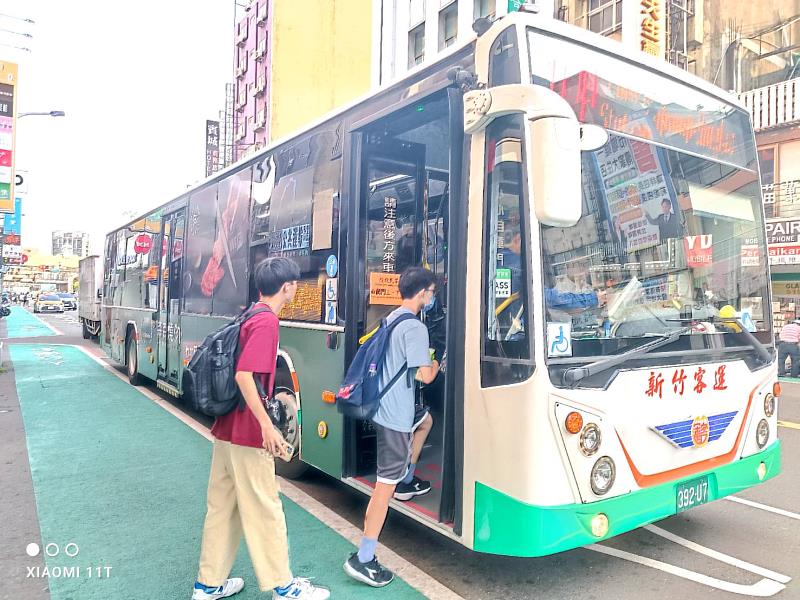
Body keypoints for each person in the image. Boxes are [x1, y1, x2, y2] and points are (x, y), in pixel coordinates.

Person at [192, 257, 329, 600]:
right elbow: (244, 375)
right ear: (288, 288)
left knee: (222, 507)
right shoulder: (267, 322)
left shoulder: (250, 313)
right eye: (296, 283)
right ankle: (283, 586)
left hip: (226, 429)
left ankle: (208, 584)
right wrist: (267, 426)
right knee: (265, 508)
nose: (297, 288)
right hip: (247, 432)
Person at [344, 266, 440, 588]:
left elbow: (398, 367)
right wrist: (437, 362)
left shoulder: (392, 317)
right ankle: (364, 557)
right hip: (395, 417)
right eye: (432, 292)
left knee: (425, 420)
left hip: (392, 407)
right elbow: (425, 375)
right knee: (382, 489)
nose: (433, 297)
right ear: (423, 292)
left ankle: (407, 480)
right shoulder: (414, 327)